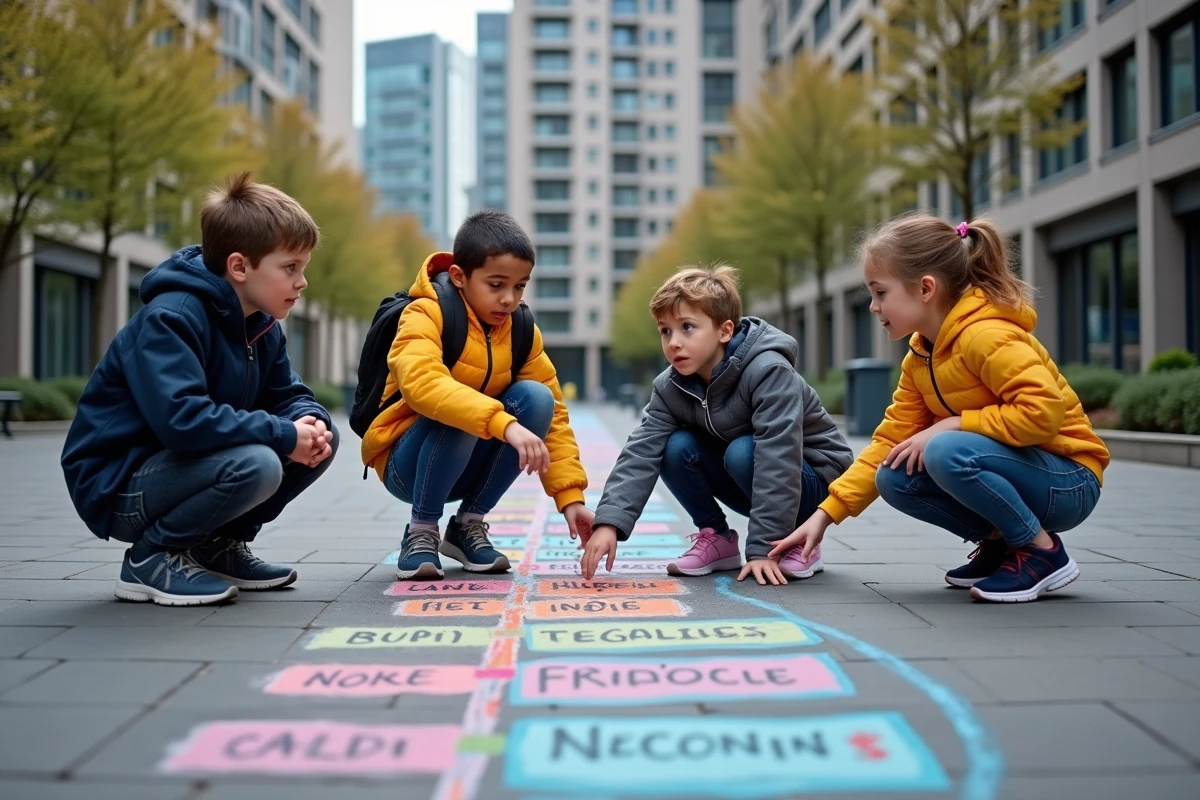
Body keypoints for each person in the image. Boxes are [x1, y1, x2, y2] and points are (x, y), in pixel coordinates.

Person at [773, 215, 1110, 603]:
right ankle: (1002, 544)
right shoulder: (920, 356)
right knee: (894, 475)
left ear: (926, 288)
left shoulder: (987, 335)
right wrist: (824, 516)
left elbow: (1043, 413)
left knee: (943, 449)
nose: (872, 306)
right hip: (1025, 474)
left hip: (1070, 480)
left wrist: (953, 423)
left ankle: (1041, 552)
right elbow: (890, 439)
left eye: (880, 293)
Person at [60, 172, 338, 606]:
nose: (302, 282)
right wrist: (284, 434)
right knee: (261, 462)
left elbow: (288, 394)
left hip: (180, 469)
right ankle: (150, 559)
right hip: (118, 485)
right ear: (240, 267)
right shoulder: (172, 318)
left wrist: (310, 421)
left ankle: (216, 547)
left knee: (321, 438)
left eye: (302, 269)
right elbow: (182, 421)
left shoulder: (262, 324)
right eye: (290, 268)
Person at [580, 265, 853, 585]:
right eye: (665, 331)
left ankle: (799, 540)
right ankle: (717, 538)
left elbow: (778, 455)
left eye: (687, 327)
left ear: (724, 331)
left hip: (814, 482)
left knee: (742, 451)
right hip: (749, 476)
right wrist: (608, 524)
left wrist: (762, 550)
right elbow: (640, 451)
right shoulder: (671, 386)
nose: (674, 342)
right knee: (673, 445)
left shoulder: (768, 370)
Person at [360, 211, 592, 580]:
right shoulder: (425, 313)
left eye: (519, 286)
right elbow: (423, 384)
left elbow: (556, 416)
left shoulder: (521, 330)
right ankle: (421, 529)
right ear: (459, 277)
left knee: (537, 398)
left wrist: (571, 498)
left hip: (468, 463)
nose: (509, 299)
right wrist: (503, 424)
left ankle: (467, 525)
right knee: (459, 407)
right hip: (407, 466)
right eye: (496, 284)